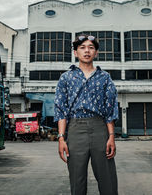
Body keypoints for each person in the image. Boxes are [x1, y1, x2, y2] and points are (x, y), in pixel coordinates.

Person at [54, 35, 119, 195]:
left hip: (100, 128)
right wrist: (61, 138)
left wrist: (111, 136)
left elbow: (109, 109)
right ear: (76, 52)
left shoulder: (105, 78)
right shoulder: (66, 77)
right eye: (82, 47)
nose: (87, 51)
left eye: (91, 47)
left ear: (96, 53)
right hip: (75, 129)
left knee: (107, 179)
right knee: (77, 180)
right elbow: (61, 109)